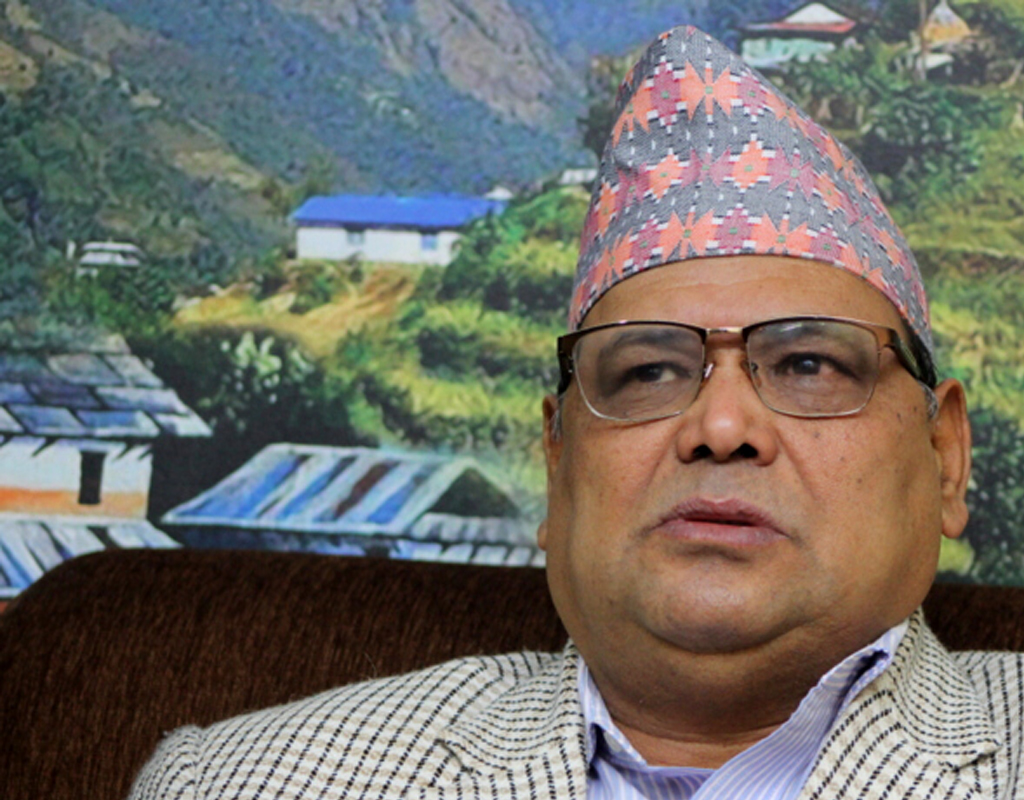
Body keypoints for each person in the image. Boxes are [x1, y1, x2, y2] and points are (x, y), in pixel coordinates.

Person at [128, 25, 1024, 800]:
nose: (721, 429)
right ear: (557, 466)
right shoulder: (245, 781)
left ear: (945, 456)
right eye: (647, 372)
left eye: (808, 364)